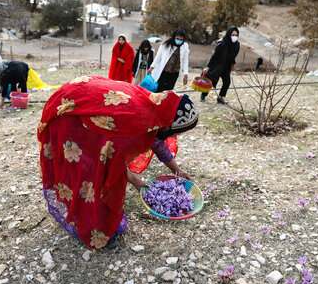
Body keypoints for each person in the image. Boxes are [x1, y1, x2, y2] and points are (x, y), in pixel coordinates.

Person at [38, 76, 199, 249]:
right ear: (169, 125)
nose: (176, 136)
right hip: (70, 117)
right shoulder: (132, 124)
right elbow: (111, 164)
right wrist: (137, 182)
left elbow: (156, 139)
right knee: (91, 175)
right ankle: (92, 228)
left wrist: (177, 170)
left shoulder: (155, 106)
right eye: (177, 132)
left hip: (80, 97)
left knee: (96, 173)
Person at [200, 26, 240, 104]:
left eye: (236, 35)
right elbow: (214, 56)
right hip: (216, 65)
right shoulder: (222, 43)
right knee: (210, 81)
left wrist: (234, 64)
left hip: (226, 66)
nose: (234, 37)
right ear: (229, 34)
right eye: (233, 35)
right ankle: (203, 96)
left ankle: (220, 98)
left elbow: (232, 56)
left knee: (227, 82)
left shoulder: (237, 45)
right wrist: (208, 67)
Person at [147, 28, 189, 92]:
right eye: (177, 39)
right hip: (163, 71)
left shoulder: (185, 46)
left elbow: (185, 61)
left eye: (181, 39)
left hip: (174, 73)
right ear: (174, 37)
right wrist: (152, 67)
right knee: (159, 90)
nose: (179, 41)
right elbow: (158, 56)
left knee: (168, 91)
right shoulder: (165, 44)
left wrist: (185, 74)